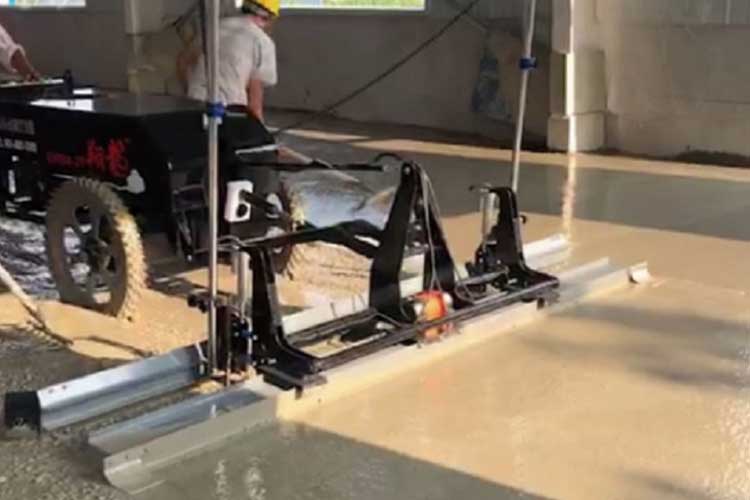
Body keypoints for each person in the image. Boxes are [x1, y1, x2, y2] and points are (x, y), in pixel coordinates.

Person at [179, 0, 280, 123]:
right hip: (230, 110)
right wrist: (261, 130)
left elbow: (183, 61)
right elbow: (255, 105)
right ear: (269, 18)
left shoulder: (214, 28)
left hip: (194, 103)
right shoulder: (262, 42)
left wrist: (189, 91)